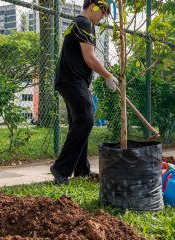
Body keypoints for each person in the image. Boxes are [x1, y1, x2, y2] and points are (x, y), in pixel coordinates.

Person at [50, 0, 118, 185]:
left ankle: (81, 170)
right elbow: (89, 58)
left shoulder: (79, 23)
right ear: (94, 6)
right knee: (86, 120)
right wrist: (107, 76)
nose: (102, 17)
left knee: (79, 123)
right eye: (102, 12)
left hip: (70, 80)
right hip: (73, 81)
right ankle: (61, 168)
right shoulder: (84, 23)